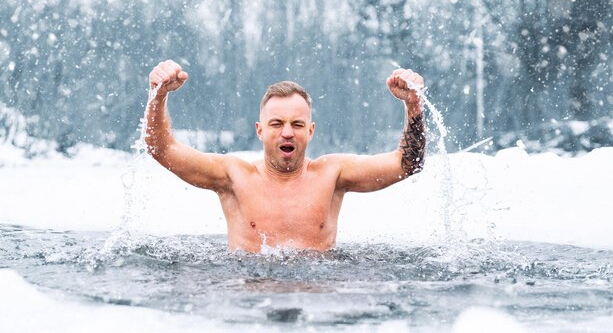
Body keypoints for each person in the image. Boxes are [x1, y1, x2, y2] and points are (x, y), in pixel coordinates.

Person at [145, 60, 426, 252]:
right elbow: (162, 148)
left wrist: (413, 107)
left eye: (297, 124)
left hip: (315, 293)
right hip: (249, 295)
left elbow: (407, 163)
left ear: (311, 131)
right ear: (260, 130)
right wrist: (158, 97)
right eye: (277, 124)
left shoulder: (332, 174)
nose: (288, 133)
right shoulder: (234, 176)